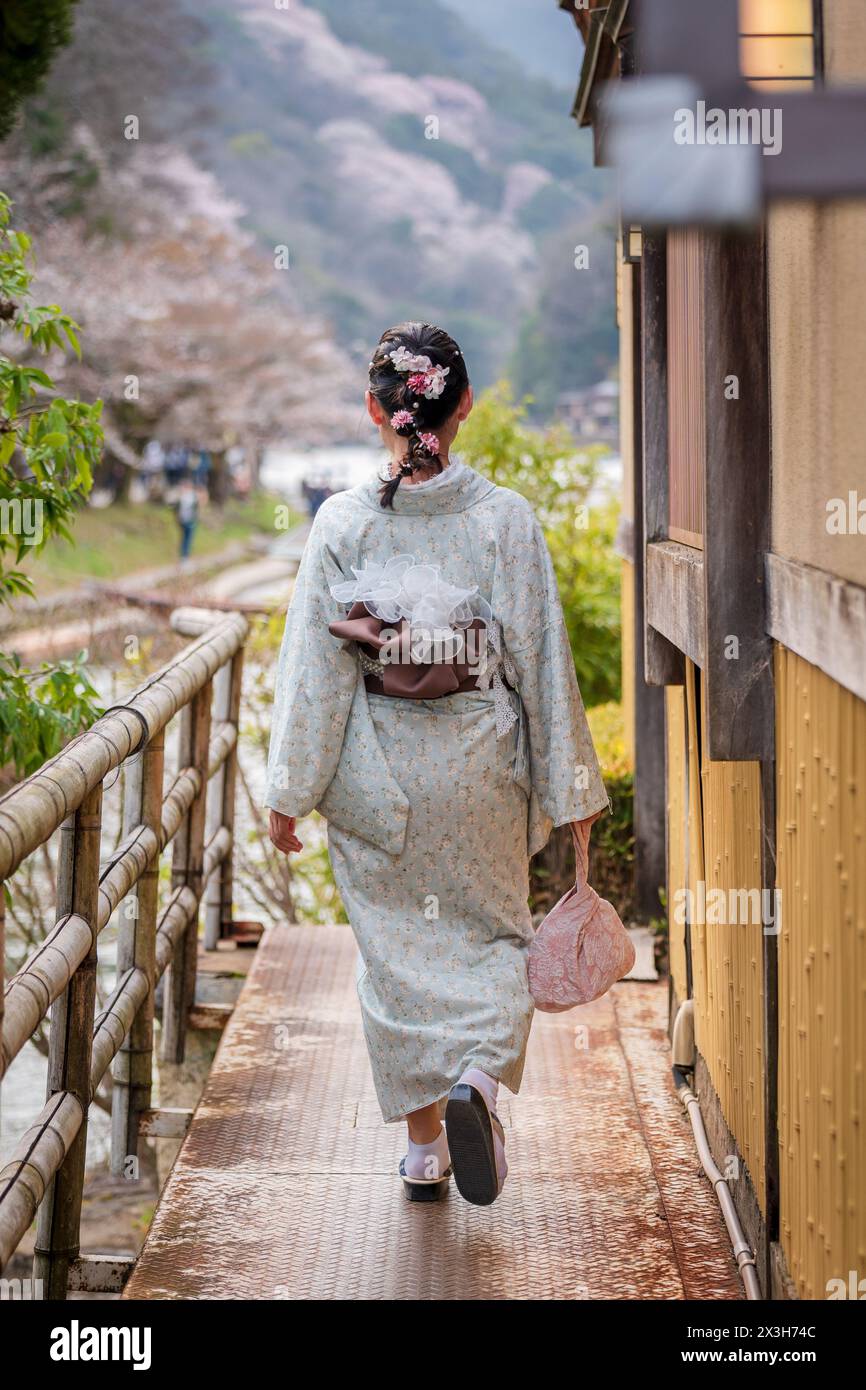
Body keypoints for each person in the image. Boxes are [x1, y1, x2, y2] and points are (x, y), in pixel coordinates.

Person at [265, 322, 609, 1207]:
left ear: (374, 411)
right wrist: (570, 789)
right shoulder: (505, 520)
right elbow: (540, 660)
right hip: (481, 769)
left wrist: (290, 795)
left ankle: (425, 1153)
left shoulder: (342, 523)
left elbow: (316, 677)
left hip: (379, 775)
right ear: (463, 406)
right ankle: (478, 1091)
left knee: (397, 962)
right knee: (493, 941)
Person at [174, 478, 199, 560]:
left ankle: (185, 555)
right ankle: (184, 556)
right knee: (185, 539)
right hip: (184, 521)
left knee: (188, 539)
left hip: (190, 521)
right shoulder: (183, 497)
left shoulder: (192, 496)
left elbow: (196, 509)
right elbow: (177, 510)